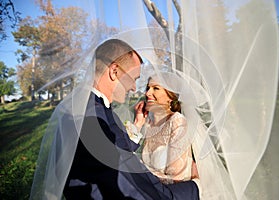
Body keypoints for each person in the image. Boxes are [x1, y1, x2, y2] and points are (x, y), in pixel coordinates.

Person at [30, 39, 200, 200]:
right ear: (114, 71)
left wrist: (137, 124)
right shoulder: (94, 119)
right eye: (134, 79)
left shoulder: (93, 108)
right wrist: (195, 187)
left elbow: (119, 150)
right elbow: (132, 189)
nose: (135, 89)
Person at [126, 75, 200, 186]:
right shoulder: (148, 125)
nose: (147, 93)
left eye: (156, 88)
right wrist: (138, 123)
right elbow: (125, 153)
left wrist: (137, 171)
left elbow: (176, 178)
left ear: (170, 96)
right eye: (147, 88)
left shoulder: (177, 121)